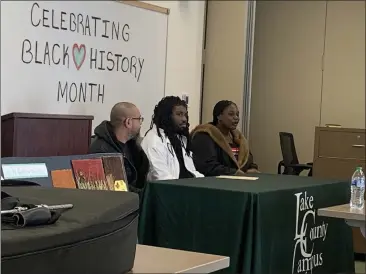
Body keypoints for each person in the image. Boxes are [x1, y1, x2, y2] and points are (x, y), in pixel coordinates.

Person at [89, 102, 149, 194]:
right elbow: (117, 188)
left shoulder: (132, 146)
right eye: (139, 119)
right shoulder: (102, 150)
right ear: (128, 122)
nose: (140, 124)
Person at [141, 96, 203, 181]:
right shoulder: (153, 140)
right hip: (170, 190)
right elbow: (161, 177)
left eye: (185, 115)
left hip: (187, 186)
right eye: (179, 114)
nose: (184, 119)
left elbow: (191, 171)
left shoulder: (180, 139)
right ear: (167, 116)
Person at [191, 100, 259, 176]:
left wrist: (252, 169)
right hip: (215, 183)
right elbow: (207, 165)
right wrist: (233, 173)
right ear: (219, 116)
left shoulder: (238, 137)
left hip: (240, 183)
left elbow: (248, 160)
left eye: (237, 114)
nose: (236, 118)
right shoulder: (204, 135)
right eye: (231, 114)